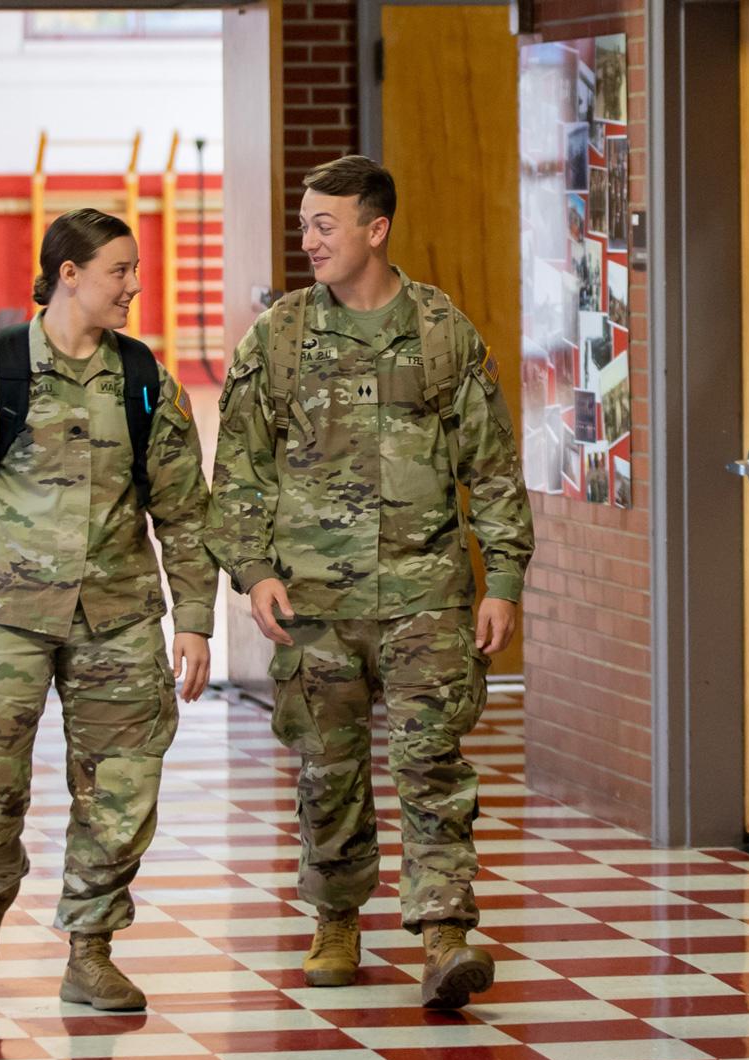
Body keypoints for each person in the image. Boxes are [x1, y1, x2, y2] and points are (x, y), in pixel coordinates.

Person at [208, 155, 536, 1010]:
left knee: (431, 761)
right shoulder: (277, 337)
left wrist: (501, 578)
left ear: (376, 229)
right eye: (305, 223)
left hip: (428, 595)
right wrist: (253, 572)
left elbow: (491, 467)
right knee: (327, 767)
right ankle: (336, 918)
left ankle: (443, 933)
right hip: (313, 604)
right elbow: (238, 468)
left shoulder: (439, 332)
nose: (307, 239)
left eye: (326, 224)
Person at [0, 208, 216, 1010]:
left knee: (122, 783)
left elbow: (184, 510)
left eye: (136, 271)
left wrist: (196, 620)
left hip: (117, 614)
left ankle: (91, 948)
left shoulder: (144, 382)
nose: (135, 287)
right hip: (3, 614)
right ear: (67, 274)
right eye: (120, 271)